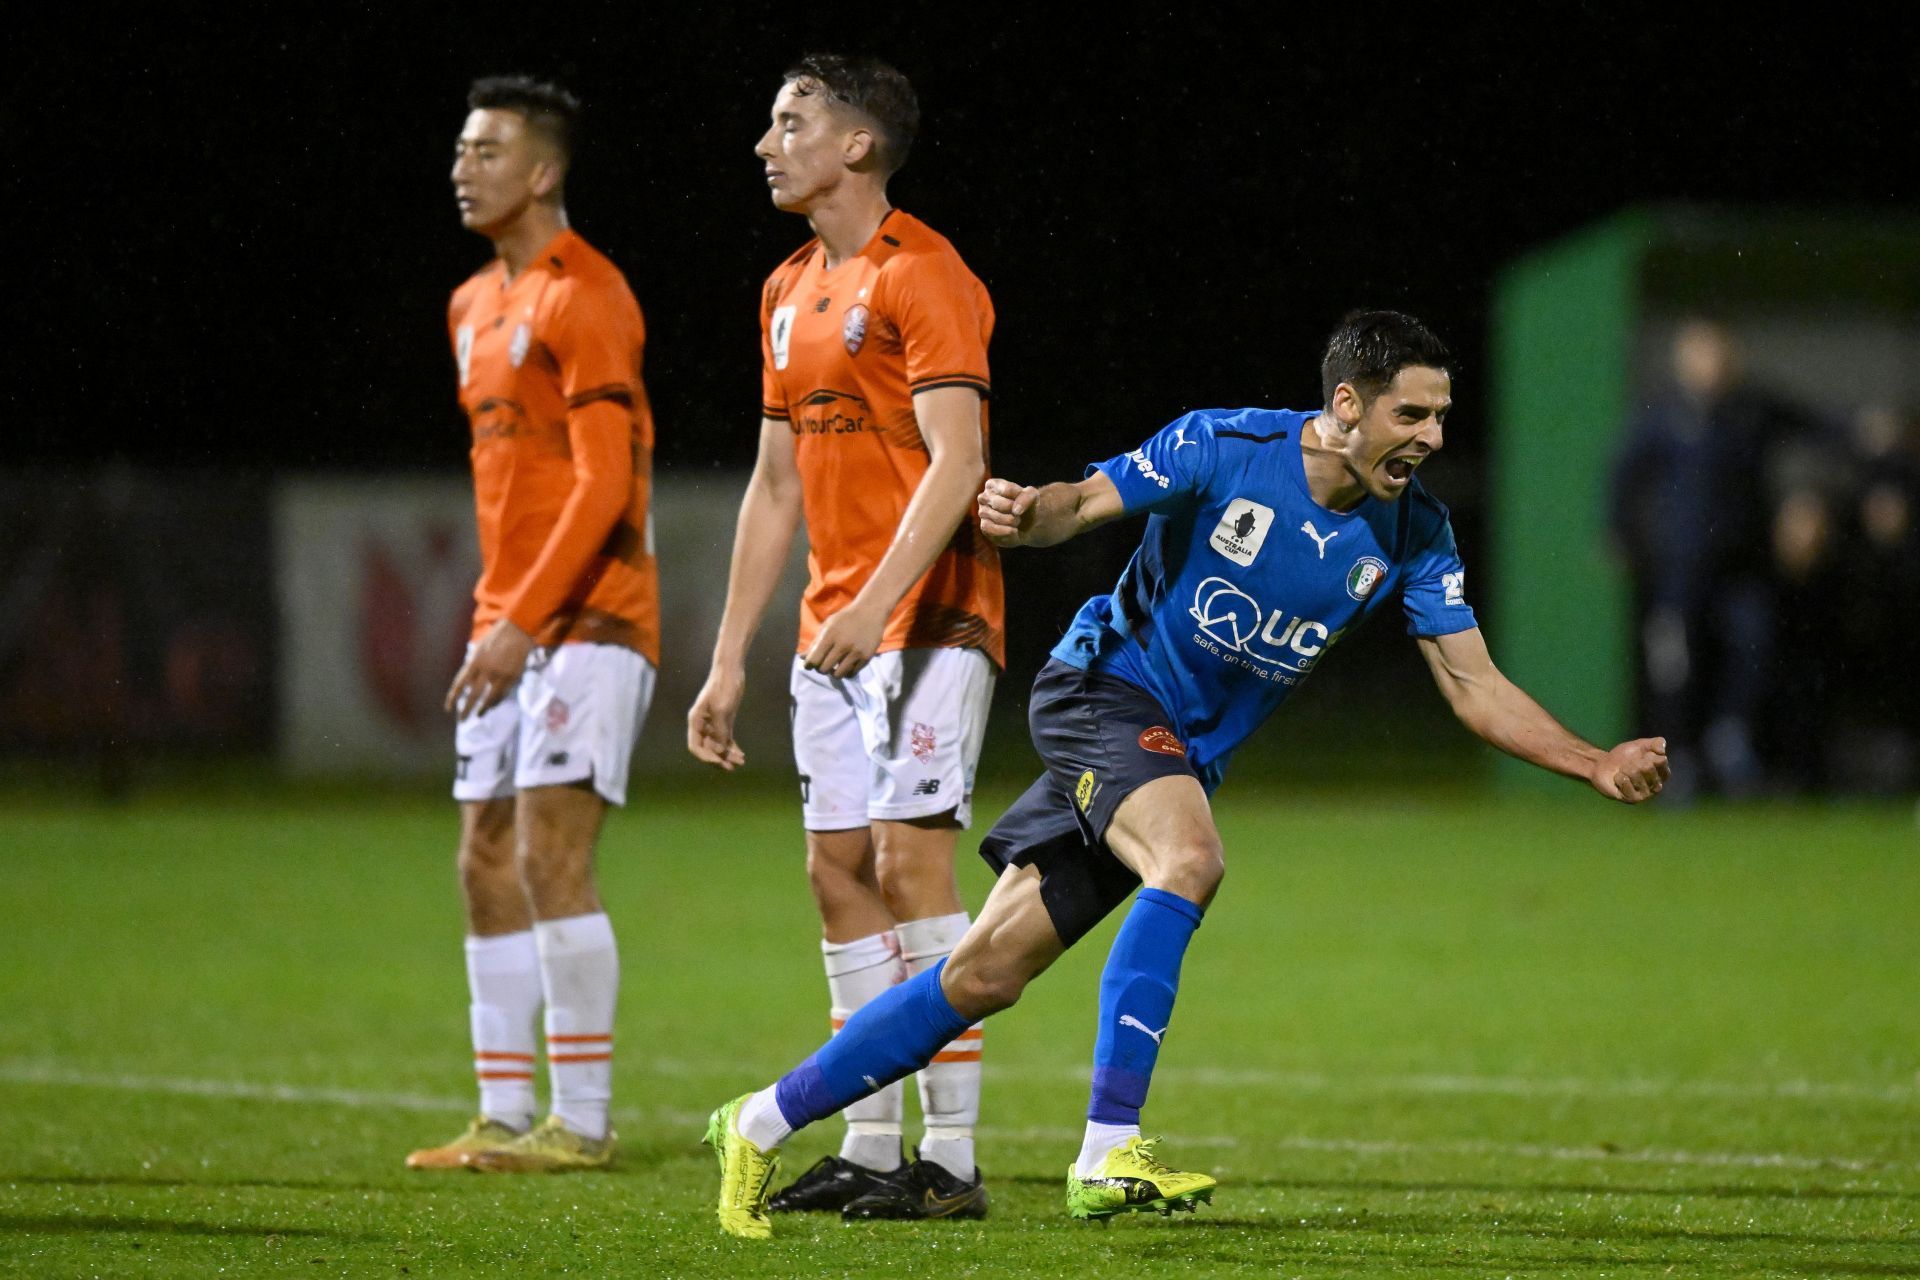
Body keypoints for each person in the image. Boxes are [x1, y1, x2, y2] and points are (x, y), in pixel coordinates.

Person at [704, 310, 1668, 1238]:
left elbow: (1473, 685)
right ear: (1345, 405)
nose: (1430, 436)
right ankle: (1108, 1151)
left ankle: (754, 1125)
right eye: (1410, 414)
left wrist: (1594, 762)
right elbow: (1079, 503)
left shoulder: (1415, 532)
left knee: (983, 973)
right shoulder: (1226, 444)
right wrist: (1027, 512)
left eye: (1442, 417)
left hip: (1174, 755)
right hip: (1103, 693)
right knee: (1191, 859)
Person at [687, 53, 1002, 1220]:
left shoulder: (930, 274)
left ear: (858, 144)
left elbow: (960, 459)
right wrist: (727, 658)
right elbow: (774, 485)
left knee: (911, 862)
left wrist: (874, 605)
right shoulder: (782, 288)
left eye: (790, 121)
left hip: (927, 617)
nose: (766, 143)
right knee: (836, 874)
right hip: (834, 630)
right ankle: (872, 1143)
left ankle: (953, 1160)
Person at [405, 75, 658, 1173]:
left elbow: (605, 487)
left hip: (592, 617)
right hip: (508, 620)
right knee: (483, 855)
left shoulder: (584, 293)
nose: (465, 165)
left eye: (490, 148)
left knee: (553, 850)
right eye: (462, 149)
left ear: (544, 169)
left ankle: (584, 1120)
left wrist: (524, 619)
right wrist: (499, 618)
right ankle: (504, 1113)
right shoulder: (472, 305)